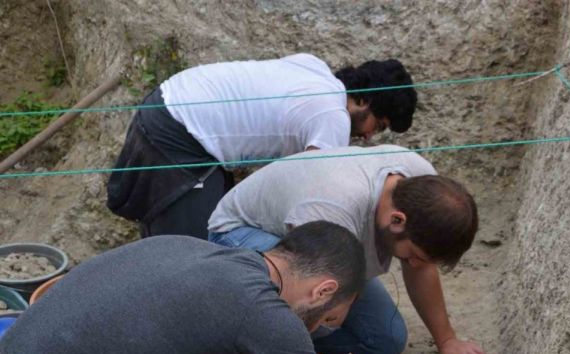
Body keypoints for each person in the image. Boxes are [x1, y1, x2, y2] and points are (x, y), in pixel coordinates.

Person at [0, 222, 408, 354]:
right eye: (328, 320)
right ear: (324, 290)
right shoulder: (261, 310)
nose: (319, 329)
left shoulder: (187, 249)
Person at [208, 145, 489, 354]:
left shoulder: (422, 183)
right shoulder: (333, 208)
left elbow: (421, 267)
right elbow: (305, 287)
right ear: (397, 220)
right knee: (319, 313)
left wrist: (447, 340)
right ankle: (254, 349)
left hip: (318, 245)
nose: (413, 265)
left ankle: (280, 341)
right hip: (244, 234)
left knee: (385, 338)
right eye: (413, 256)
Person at [106, 53, 417, 240]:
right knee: (196, 252)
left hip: (168, 103)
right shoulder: (332, 115)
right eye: (377, 125)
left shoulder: (313, 69)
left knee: (193, 229)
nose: (368, 137)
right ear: (365, 100)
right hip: (180, 133)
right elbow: (316, 196)